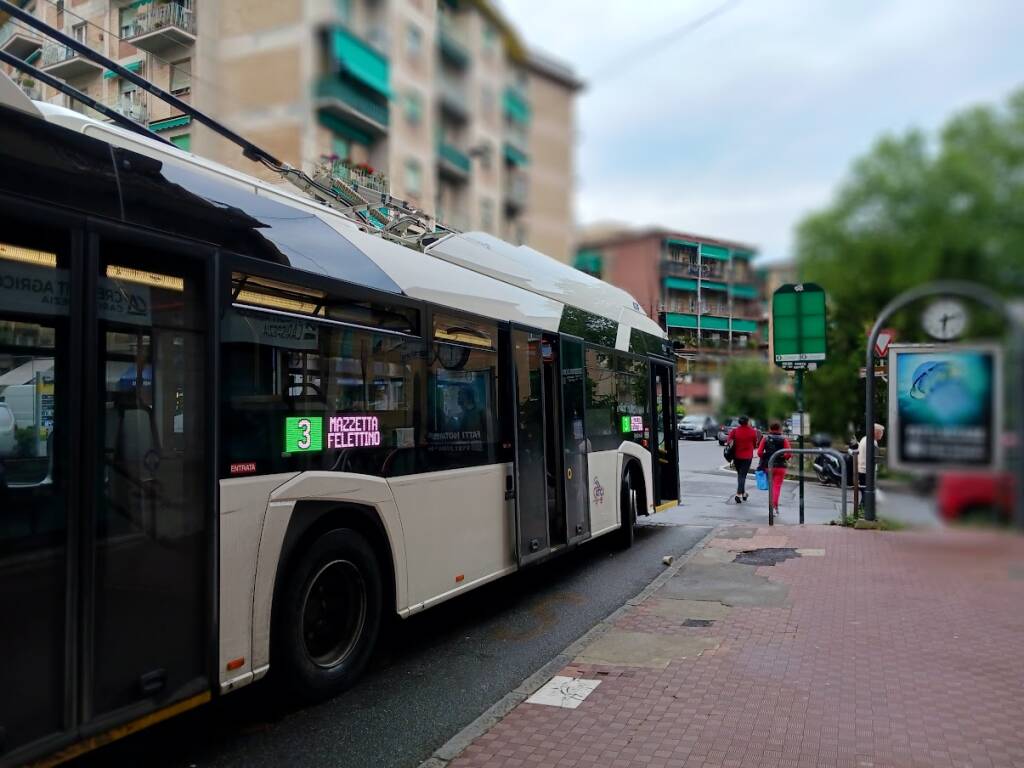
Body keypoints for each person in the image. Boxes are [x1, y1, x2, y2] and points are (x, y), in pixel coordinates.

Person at [758, 422, 792, 514]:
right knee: (777, 486)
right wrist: (783, 457)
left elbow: (759, 453)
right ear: (780, 429)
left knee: (771, 486)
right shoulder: (784, 440)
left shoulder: (765, 439)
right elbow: (789, 453)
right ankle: (775, 506)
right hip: (781, 467)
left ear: (770, 429)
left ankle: (771, 506)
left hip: (769, 466)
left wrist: (766, 456)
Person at [727, 415, 759, 503]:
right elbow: (755, 444)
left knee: (740, 475)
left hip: (736, 456)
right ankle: (738, 494)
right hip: (747, 457)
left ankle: (744, 493)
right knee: (742, 475)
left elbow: (729, 441)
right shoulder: (752, 432)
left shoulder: (735, 431)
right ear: (747, 422)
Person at [857, 423, 885, 489]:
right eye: (881, 432)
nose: (882, 434)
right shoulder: (872, 441)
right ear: (876, 432)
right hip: (868, 471)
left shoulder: (864, 438)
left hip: (862, 470)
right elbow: (875, 458)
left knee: (865, 492)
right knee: (869, 493)